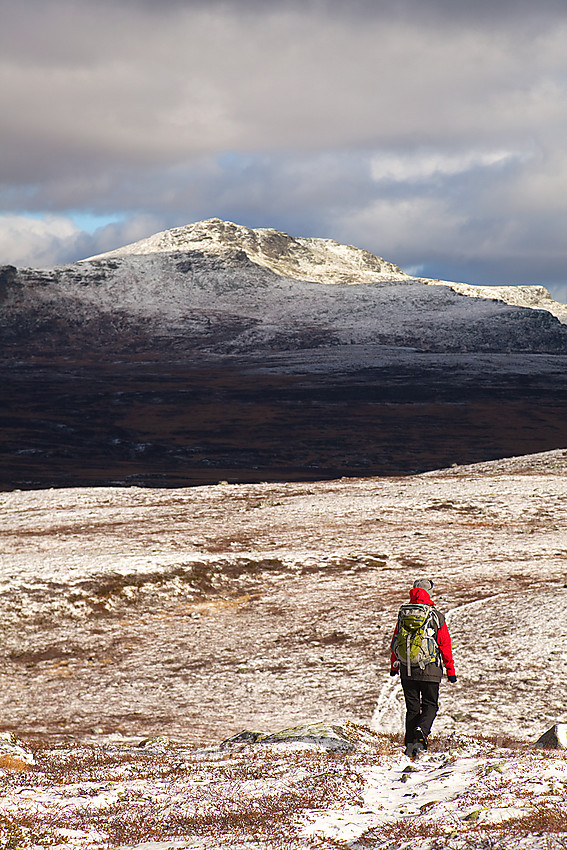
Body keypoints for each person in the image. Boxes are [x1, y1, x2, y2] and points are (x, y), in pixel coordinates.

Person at [390, 578, 457, 757]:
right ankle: (422, 732)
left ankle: (410, 746)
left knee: (412, 708)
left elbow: (396, 640)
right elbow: (445, 645)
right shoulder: (435, 615)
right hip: (430, 670)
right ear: (429, 592)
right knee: (430, 705)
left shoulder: (403, 613)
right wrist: (450, 671)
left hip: (407, 670)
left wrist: (394, 667)